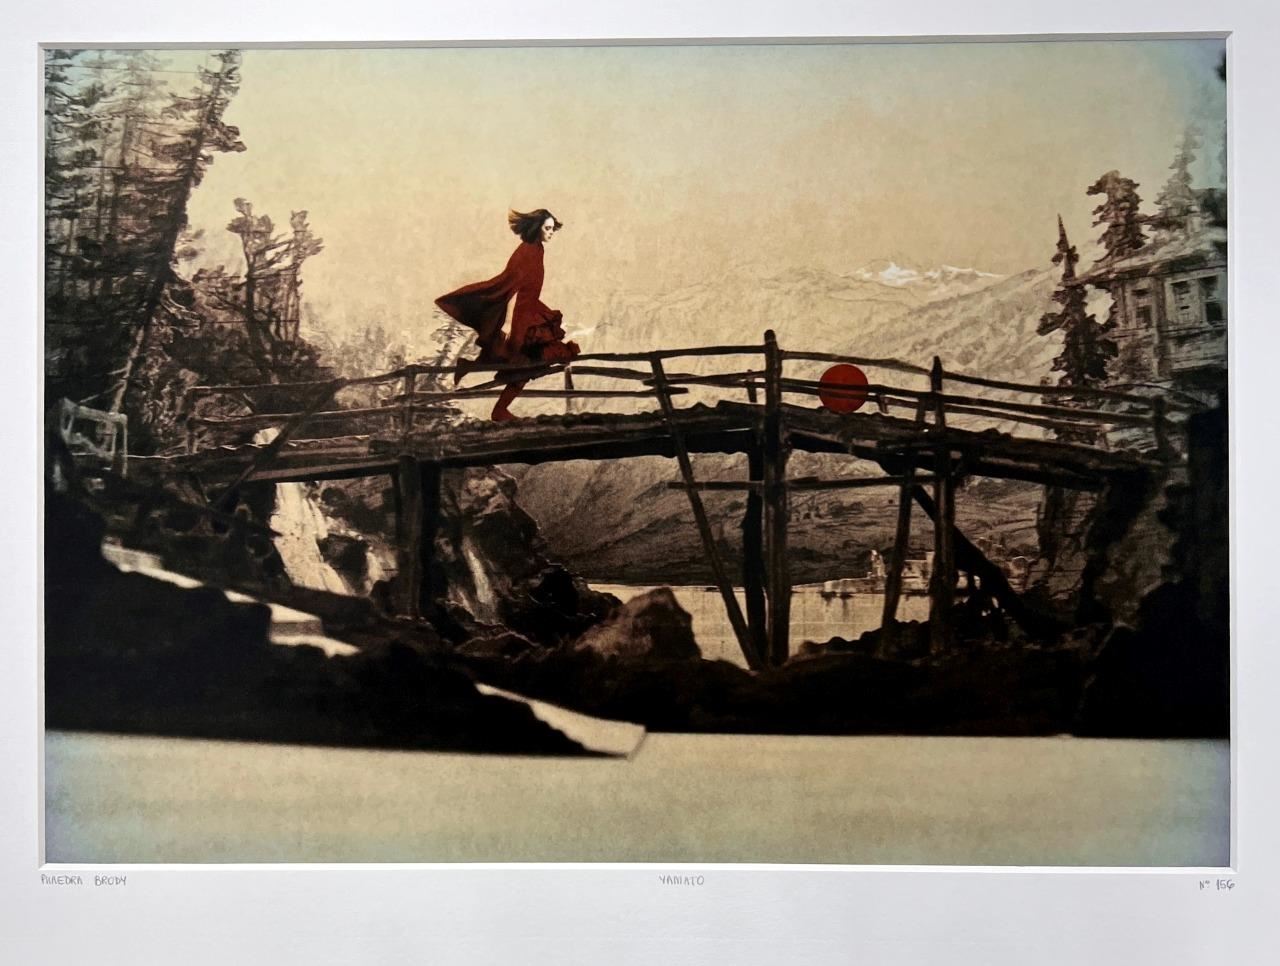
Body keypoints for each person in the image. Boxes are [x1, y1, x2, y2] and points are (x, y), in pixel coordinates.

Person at [435, 208, 581, 421]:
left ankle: (482, 385)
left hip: (531, 310)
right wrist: (508, 322)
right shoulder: (527, 251)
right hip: (521, 315)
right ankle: (498, 408)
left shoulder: (538, 249)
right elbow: (513, 288)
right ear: (537, 228)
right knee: (525, 360)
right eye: (547, 228)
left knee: (525, 361)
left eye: (552, 229)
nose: (551, 233)